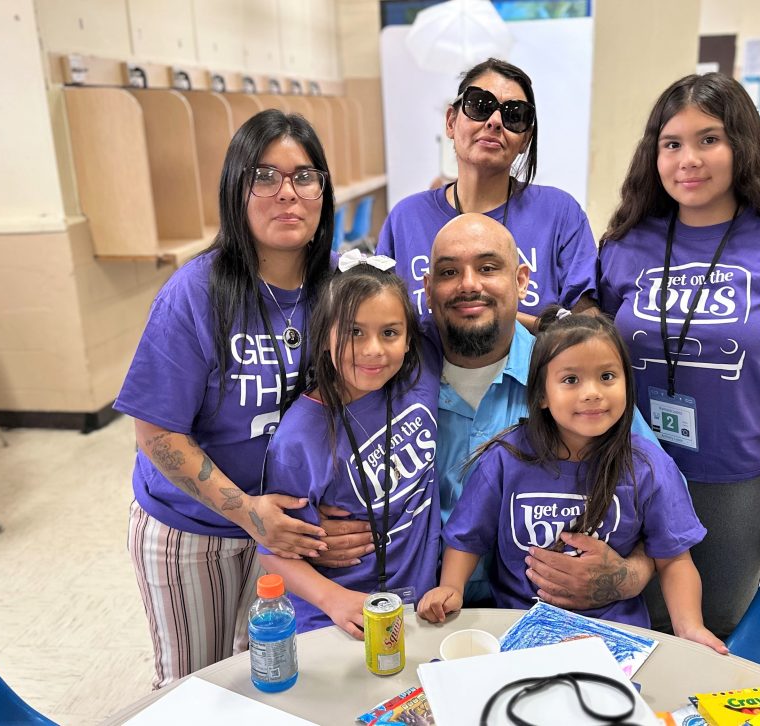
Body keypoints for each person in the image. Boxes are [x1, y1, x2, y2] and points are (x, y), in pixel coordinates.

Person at [598, 73, 760, 638]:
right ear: (653, 154)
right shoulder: (624, 242)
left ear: (743, 145)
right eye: (672, 143)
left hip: (732, 484)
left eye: (709, 139)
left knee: (714, 635)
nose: (690, 159)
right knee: (630, 631)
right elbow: (594, 352)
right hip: (626, 472)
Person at [319, 214, 657, 611]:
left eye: (488, 267)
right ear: (427, 290)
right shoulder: (386, 368)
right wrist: (315, 535)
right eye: (449, 271)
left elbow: (661, 499)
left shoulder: (573, 376)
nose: (469, 284)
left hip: (536, 611)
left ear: (521, 280)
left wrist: (626, 577)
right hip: (410, 607)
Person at [115, 109, 335, 688]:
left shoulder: (335, 289)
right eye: (265, 176)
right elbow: (156, 434)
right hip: (194, 531)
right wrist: (246, 512)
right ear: (236, 191)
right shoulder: (196, 292)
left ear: (322, 192)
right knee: (196, 690)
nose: (287, 192)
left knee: (267, 681)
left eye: (304, 176)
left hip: (286, 531)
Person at [418, 309, 726, 653]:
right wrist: (452, 588)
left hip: (614, 638)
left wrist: (690, 628)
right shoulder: (506, 458)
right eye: (571, 380)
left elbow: (675, 561)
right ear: (541, 395)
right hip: (518, 632)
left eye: (608, 376)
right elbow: (467, 537)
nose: (592, 393)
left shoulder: (650, 466)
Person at [257, 254, 441, 637]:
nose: (373, 349)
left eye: (390, 333)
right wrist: (333, 599)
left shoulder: (419, 374)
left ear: (410, 339)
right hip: (336, 618)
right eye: (354, 332)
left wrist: (549, 321)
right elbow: (273, 552)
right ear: (325, 335)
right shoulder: (298, 439)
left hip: (422, 609)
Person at [377, 58, 598, 328]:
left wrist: (485, 314)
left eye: (514, 115)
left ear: (525, 140)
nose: (495, 122)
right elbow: (379, 320)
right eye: (480, 106)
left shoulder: (560, 214)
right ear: (451, 121)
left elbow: (588, 326)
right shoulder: (406, 219)